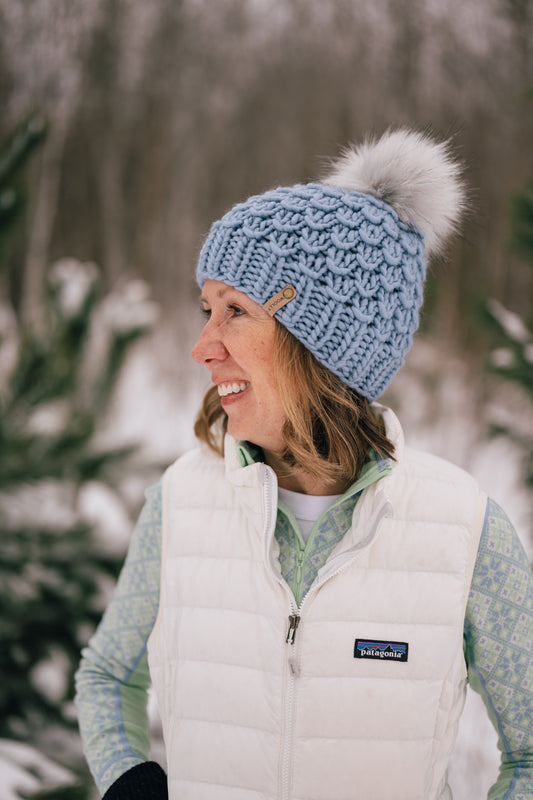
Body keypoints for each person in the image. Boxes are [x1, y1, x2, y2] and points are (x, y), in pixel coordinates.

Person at [75, 129, 533, 800]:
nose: (202, 346)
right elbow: (107, 675)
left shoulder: (463, 531)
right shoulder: (179, 504)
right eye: (207, 309)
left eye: (236, 311)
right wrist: (128, 780)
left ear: (323, 346)